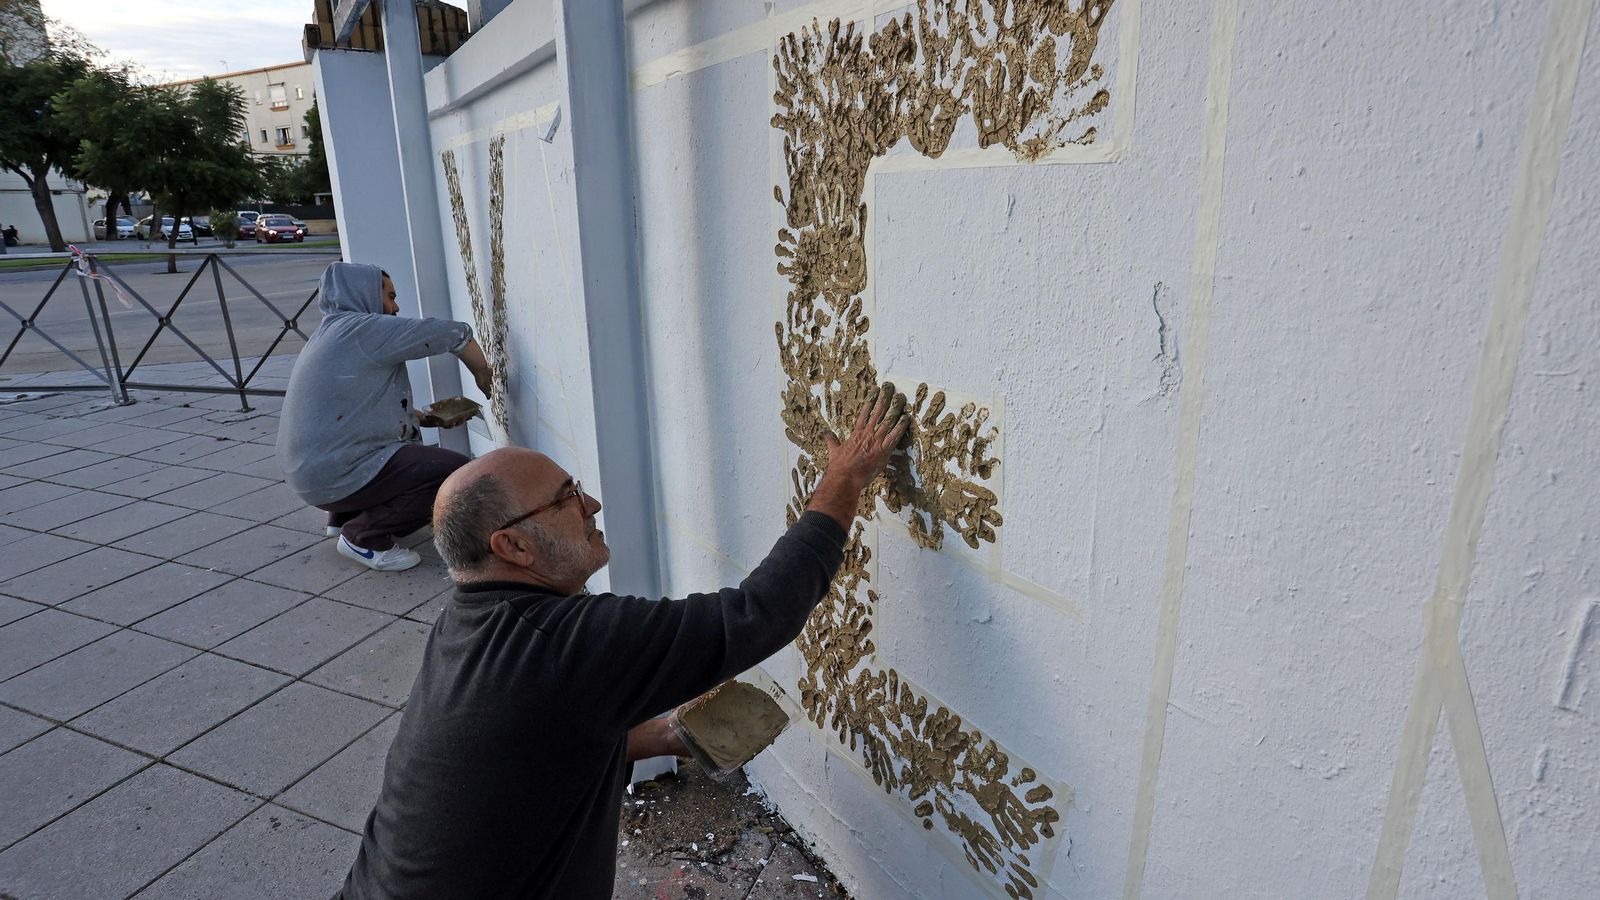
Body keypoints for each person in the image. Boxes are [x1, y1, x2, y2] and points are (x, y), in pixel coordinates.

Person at [332, 387, 910, 899]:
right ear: (513, 547)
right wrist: (844, 479)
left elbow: (536, 748)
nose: (591, 505)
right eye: (565, 498)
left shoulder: (470, 622)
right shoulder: (565, 643)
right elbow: (758, 614)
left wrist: (666, 735)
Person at [278, 261, 493, 571]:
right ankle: (363, 535)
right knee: (452, 473)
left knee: (408, 461)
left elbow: (355, 412)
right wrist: (482, 370)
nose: (395, 307)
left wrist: (426, 418)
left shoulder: (330, 332)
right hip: (333, 475)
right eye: (390, 296)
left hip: (310, 476)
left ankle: (344, 517)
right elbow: (452, 332)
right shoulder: (363, 328)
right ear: (364, 295)